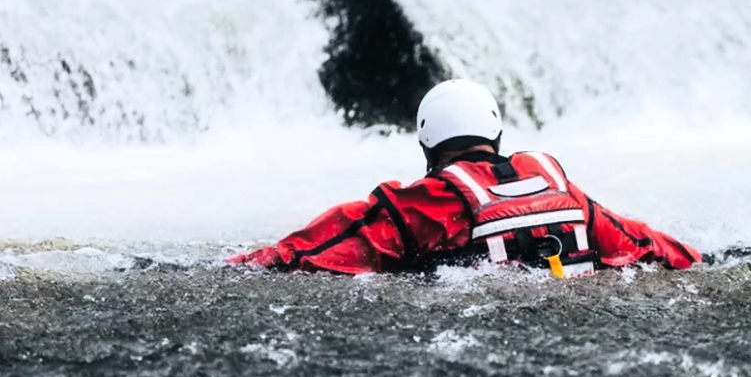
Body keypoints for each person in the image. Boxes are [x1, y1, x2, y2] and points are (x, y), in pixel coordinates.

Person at [227, 79, 703, 277]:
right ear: (496, 135)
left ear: (426, 144)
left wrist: (233, 266)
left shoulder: (421, 202)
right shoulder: (563, 190)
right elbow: (645, 245)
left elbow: (305, 253)